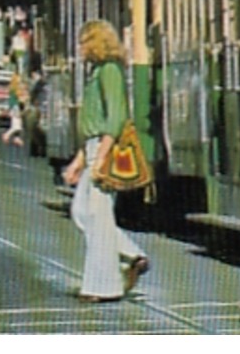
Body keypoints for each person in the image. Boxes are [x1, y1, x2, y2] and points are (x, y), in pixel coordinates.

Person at [61, 20, 150, 302]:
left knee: (98, 216)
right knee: (82, 210)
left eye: (84, 43)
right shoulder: (97, 71)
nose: (81, 49)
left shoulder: (110, 70)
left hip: (103, 147)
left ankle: (102, 286)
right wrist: (79, 159)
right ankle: (132, 255)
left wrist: (100, 156)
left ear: (97, 42)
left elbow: (115, 117)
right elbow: (93, 119)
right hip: (92, 146)